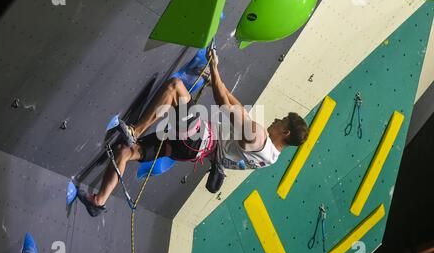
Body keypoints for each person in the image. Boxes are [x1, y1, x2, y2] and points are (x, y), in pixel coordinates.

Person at [77, 47, 309, 217]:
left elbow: (224, 105)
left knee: (175, 88)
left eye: (281, 121)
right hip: (190, 152)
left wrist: (214, 68)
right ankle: (98, 201)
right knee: (126, 152)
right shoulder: (271, 157)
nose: (276, 120)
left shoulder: (258, 136)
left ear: (286, 132)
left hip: (198, 139)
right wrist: (217, 81)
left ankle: (134, 130)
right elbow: (238, 108)